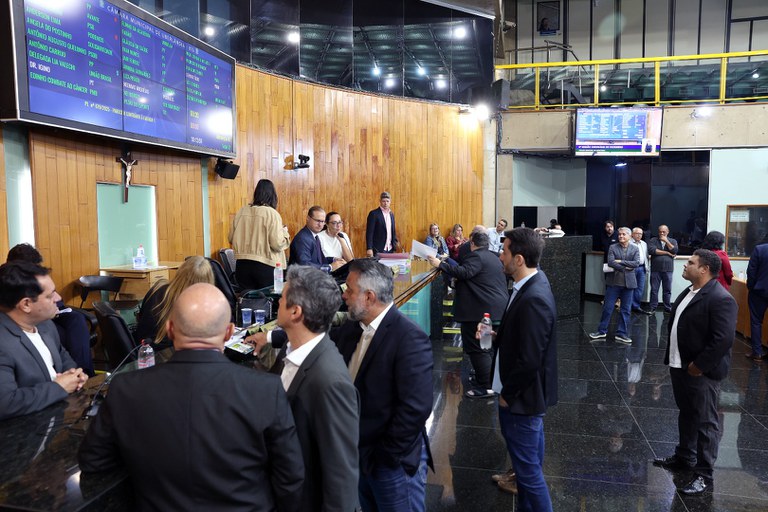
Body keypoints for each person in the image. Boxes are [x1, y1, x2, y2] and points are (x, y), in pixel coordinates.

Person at [78, 283, 304, 511]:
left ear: (170, 329)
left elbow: (93, 461)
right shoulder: (266, 390)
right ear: (228, 332)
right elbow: (291, 479)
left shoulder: (125, 389)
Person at [336, 259, 433, 511]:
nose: (344, 296)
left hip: (391, 464)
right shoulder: (353, 327)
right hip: (361, 456)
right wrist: (273, 337)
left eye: (349, 290)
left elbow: (415, 409)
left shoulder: (409, 338)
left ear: (369, 297)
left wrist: (384, 456)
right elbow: (321, 339)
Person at [272, 266, 360, 511]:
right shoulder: (290, 349)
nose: (278, 301)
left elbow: (341, 476)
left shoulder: (330, 382)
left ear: (295, 312)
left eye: (283, 297)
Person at [652, 249, 737, 496]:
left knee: (706, 422)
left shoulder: (721, 298)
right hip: (680, 365)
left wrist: (699, 365)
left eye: (690, 262)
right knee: (687, 413)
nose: (685, 265)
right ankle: (684, 457)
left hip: (701, 372)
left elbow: (723, 340)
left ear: (704, 269)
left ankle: (704, 474)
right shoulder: (689, 291)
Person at [491, 227, 557, 507]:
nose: (500, 256)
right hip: (524, 398)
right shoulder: (530, 284)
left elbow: (530, 359)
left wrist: (508, 394)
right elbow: (526, 338)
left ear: (519, 259)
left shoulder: (534, 298)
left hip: (521, 400)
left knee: (528, 475)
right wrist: (498, 335)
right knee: (527, 468)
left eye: (504, 251)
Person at [0, 261, 88, 420]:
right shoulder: (3, 342)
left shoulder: (46, 325)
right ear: (26, 304)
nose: (58, 298)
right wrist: (59, 387)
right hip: (24, 430)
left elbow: (63, 358)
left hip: (58, 416)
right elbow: (5, 403)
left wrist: (75, 376)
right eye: (50, 295)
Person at [428, 232, 508, 398]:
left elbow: (464, 272)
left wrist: (440, 264)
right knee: (486, 347)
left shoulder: (476, 256)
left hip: (481, 312)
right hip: (493, 309)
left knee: (479, 348)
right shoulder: (493, 257)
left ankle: (486, 386)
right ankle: (485, 379)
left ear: (472, 243)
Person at [6, 243, 94, 376]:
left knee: (77, 319)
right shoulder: (7, 282)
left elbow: (57, 300)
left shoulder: (40, 278)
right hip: (30, 319)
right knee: (58, 333)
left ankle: (84, 372)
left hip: (52, 314)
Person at [133, 256, 214, 348]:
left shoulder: (157, 288)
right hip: (168, 352)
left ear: (180, 271)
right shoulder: (194, 306)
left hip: (142, 350)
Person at [229, 179, 290, 290]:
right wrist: (285, 233)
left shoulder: (241, 211)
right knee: (270, 298)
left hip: (242, 265)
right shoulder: (272, 214)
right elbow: (277, 244)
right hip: (266, 266)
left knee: (248, 298)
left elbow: (231, 238)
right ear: (273, 196)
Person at [589, 227, 641, 344]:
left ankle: (621, 333)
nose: (620, 236)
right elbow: (611, 262)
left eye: (623, 234)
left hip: (629, 284)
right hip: (613, 283)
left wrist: (620, 262)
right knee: (607, 308)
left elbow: (636, 263)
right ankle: (602, 331)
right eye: (619, 234)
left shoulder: (635, 248)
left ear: (629, 236)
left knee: (626, 310)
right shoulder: (613, 247)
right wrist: (626, 267)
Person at [289, 206, 344, 270]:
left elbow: (319, 261)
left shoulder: (315, 236)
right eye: (318, 221)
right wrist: (330, 267)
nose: (320, 225)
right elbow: (305, 266)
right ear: (308, 218)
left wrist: (333, 259)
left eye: (322, 221)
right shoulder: (303, 239)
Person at [647, 224, 678, 313]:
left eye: (664, 232)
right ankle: (653, 307)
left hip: (668, 270)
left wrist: (666, 241)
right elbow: (652, 250)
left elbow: (674, 250)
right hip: (655, 269)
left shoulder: (673, 241)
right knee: (654, 290)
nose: (661, 233)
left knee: (667, 290)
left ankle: (667, 307)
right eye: (660, 232)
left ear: (667, 232)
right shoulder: (653, 240)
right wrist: (667, 253)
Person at [746, 240, 768, 361]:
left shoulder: (760, 249)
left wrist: (751, 287)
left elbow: (751, 271)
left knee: (756, 322)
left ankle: (757, 352)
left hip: (759, 292)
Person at [365, 191, 398, 257]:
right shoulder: (374, 214)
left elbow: (392, 231)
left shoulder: (391, 215)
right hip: (378, 249)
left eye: (387, 201)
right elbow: (369, 233)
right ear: (380, 201)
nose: (385, 203)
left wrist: (395, 244)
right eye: (383, 201)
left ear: (390, 202)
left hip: (390, 249)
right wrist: (369, 248)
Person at [630, 228, 649, 314]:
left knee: (640, 289)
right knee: (630, 288)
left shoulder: (644, 244)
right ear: (632, 234)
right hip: (632, 268)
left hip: (642, 268)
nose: (639, 235)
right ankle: (628, 306)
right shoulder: (629, 243)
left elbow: (646, 256)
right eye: (637, 233)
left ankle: (636, 306)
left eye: (641, 234)